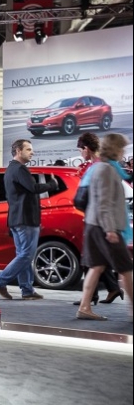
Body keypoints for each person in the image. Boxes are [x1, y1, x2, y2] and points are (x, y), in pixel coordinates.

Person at [76, 133, 134, 321]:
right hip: (105, 227)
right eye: (122, 148)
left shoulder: (101, 168)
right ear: (114, 149)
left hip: (95, 225)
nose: (123, 152)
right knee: (125, 268)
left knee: (97, 266)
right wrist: (110, 230)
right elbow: (104, 203)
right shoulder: (106, 170)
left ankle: (84, 307)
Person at [0, 139, 59, 300]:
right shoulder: (20, 169)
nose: (32, 152)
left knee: (23, 254)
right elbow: (33, 188)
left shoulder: (11, 169)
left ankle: (27, 290)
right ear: (18, 151)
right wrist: (52, 184)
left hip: (17, 218)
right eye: (28, 149)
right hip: (25, 219)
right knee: (26, 255)